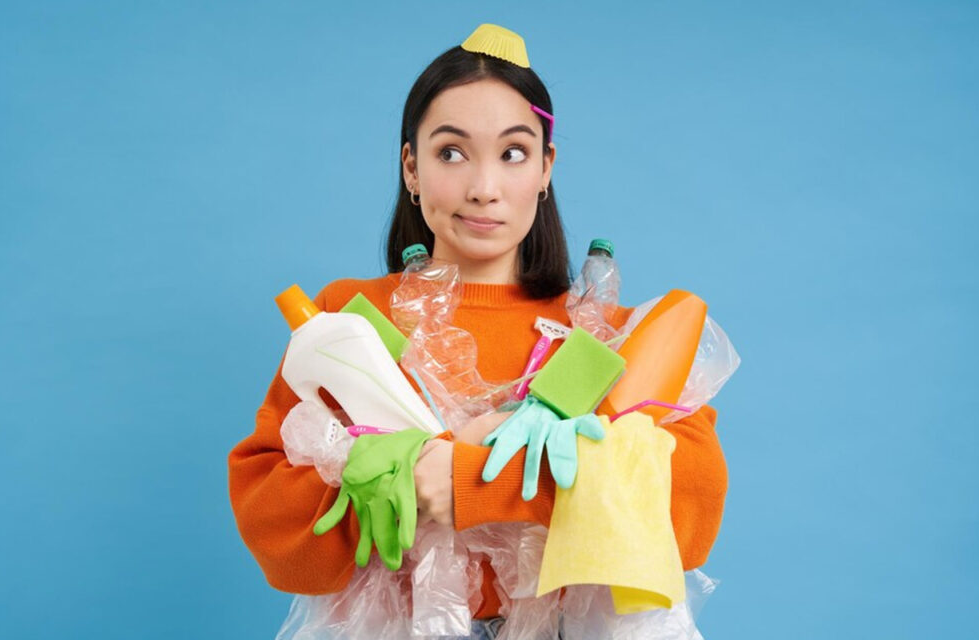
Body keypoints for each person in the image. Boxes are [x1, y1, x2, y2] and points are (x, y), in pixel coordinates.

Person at [228, 23, 728, 639]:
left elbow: (688, 520)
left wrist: (473, 485)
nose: (483, 188)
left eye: (513, 153)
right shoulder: (352, 319)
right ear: (411, 167)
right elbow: (273, 529)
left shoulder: (607, 338)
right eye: (451, 152)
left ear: (547, 168)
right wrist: (393, 481)